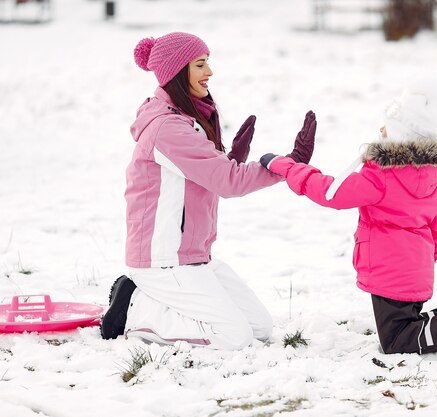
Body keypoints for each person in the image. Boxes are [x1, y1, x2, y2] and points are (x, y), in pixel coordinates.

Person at [99, 32, 316, 349]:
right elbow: (227, 182)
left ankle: (156, 301)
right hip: (163, 261)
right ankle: (134, 307)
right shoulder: (167, 127)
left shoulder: (187, 120)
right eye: (200, 64)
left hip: (194, 257)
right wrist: (288, 165)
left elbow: (203, 178)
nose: (209, 72)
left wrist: (230, 160)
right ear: (177, 71)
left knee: (260, 327)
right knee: (232, 337)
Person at [259, 80, 437, 355]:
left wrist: (289, 168)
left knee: (397, 340)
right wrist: (426, 257)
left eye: (386, 126)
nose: (380, 130)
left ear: (399, 134)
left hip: (391, 273)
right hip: (414, 268)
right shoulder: (431, 175)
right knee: (409, 325)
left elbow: (331, 193)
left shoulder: (382, 177)